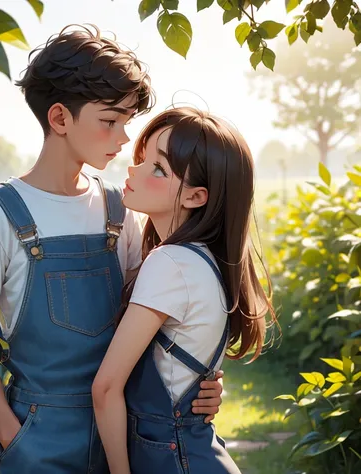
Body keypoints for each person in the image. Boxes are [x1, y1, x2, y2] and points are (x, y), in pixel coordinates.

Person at [0, 26, 224, 474]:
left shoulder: (120, 209)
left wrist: (203, 382)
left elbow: (157, 321)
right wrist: (12, 435)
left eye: (126, 123)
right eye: (109, 121)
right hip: (39, 440)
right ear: (59, 119)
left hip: (127, 433)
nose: (122, 139)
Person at [92, 106, 277, 474]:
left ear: (196, 197)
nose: (135, 169)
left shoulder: (170, 263)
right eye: (143, 158)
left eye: (158, 168)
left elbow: (106, 389)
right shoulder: (204, 260)